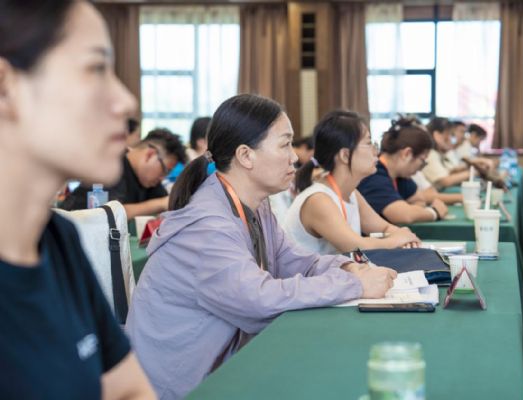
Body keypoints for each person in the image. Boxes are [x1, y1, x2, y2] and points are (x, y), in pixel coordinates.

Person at [126, 94, 396, 399]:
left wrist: (348, 267)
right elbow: (259, 301)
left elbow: (297, 262)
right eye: (285, 144)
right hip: (181, 388)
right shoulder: (207, 226)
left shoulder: (256, 206)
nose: (295, 157)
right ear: (245, 156)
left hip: (223, 368)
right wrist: (354, 284)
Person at [0, 1, 155, 398]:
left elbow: (128, 389)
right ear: (5, 86)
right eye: (96, 69)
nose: (126, 101)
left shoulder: (58, 239)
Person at [283, 111, 420, 255]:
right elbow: (356, 247)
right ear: (345, 155)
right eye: (369, 143)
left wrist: (402, 235)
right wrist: (397, 239)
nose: (376, 151)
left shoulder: (351, 193)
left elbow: (384, 228)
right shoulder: (318, 199)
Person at [61, 128, 187, 218]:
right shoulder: (111, 165)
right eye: (165, 170)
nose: (162, 178)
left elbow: (166, 205)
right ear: (150, 155)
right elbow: (109, 214)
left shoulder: (149, 181)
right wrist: (160, 204)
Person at [358, 117, 455, 224]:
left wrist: (413, 210)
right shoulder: (374, 175)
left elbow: (419, 200)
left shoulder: (399, 176)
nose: (420, 169)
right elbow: (404, 215)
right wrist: (434, 212)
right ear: (407, 154)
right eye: (422, 161)